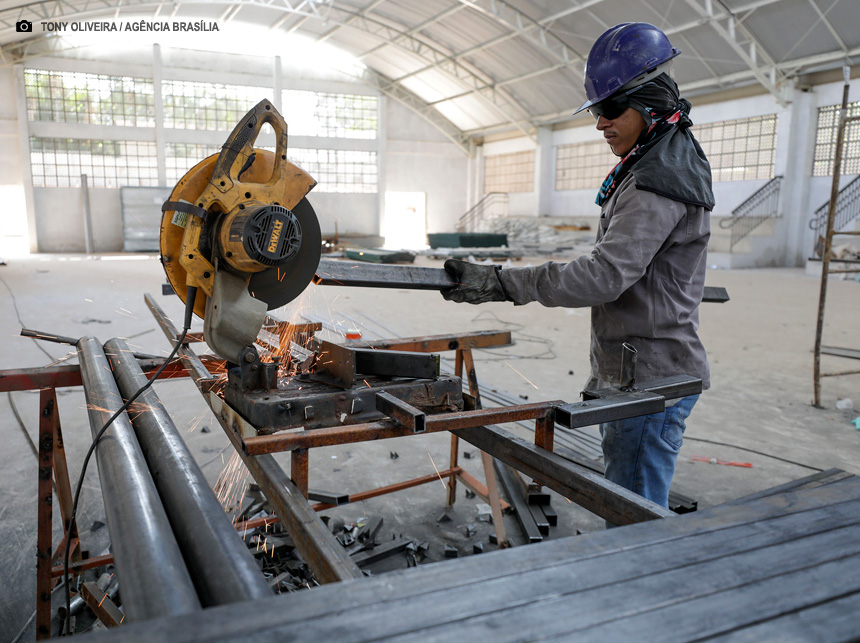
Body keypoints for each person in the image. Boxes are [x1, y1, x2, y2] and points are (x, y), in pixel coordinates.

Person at [441, 22, 714, 512]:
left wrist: (502, 282)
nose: (600, 123)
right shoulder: (658, 157)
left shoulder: (657, 179)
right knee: (630, 500)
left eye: (610, 110)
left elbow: (603, 276)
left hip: (649, 381)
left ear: (649, 103)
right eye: (598, 112)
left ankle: (639, 583)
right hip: (640, 369)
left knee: (633, 518)